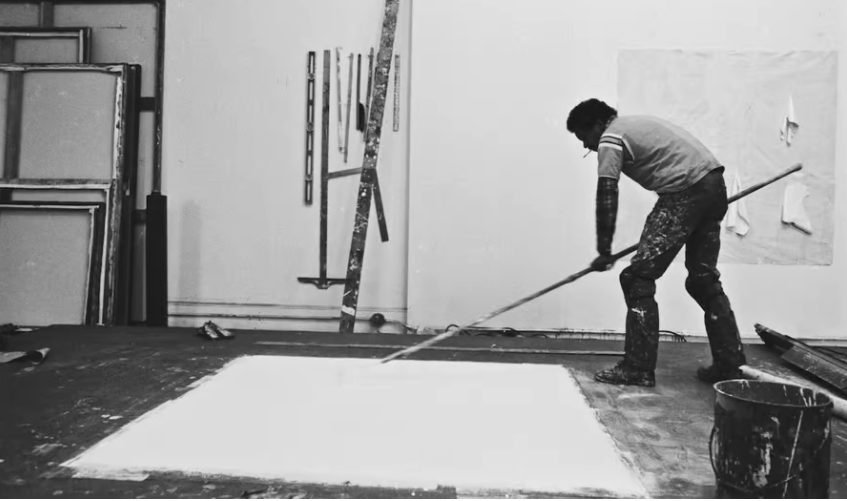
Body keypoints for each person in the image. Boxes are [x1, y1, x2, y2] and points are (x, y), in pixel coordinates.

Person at [565, 98, 746, 387]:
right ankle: (730, 365)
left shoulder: (610, 138)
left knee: (636, 278)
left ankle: (638, 367)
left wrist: (604, 250)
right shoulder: (633, 125)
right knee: (703, 280)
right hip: (713, 184)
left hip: (685, 191)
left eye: (584, 137)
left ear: (598, 125)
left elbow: (607, 195)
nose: (587, 145)